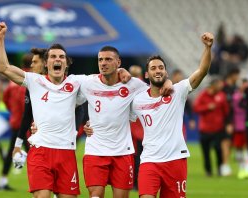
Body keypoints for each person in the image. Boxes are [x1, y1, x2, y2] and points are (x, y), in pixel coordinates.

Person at [0, 22, 130, 198]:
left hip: (66, 152)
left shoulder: (77, 82)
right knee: (42, 196)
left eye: (61, 57)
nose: (57, 59)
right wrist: (0, 38)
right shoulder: (35, 81)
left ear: (66, 63)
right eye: (53, 56)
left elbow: (107, 74)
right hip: (41, 150)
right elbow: (3, 67)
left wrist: (121, 69)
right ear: (46, 62)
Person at [81, 46, 173, 198]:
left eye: (108, 59)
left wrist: (168, 82)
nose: (103, 63)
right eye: (100, 60)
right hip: (95, 151)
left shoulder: (133, 85)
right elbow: (64, 94)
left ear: (118, 62)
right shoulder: (87, 83)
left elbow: (156, 87)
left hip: (122, 152)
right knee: (95, 195)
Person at [130, 32, 214, 198]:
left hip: (176, 160)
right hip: (149, 161)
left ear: (166, 73)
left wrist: (207, 48)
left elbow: (202, 71)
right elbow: (119, 115)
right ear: (147, 75)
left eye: (161, 67)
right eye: (153, 68)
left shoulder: (178, 91)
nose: (158, 70)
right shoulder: (137, 100)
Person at [0, 53, 35, 190]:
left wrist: (13, 112)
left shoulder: (13, 82)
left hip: (15, 123)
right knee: (36, 155)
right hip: (29, 125)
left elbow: (5, 99)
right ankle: (38, 183)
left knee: (12, 152)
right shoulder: (33, 81)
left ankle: (2, 181)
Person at [194, 77, 230, 177]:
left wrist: (227, 123)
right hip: (205, 129)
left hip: (218, 129)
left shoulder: (221, 96)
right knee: (206, 152)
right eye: (219, 84)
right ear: (213, 85)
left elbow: (226, 111)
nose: (221, 86)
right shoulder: (203, 95)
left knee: (219, 150)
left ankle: (220, 169)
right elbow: (196, 108)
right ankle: (208, 171)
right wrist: (207, 107)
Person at [221, 68, 240, 176]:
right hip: (224, 120)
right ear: (231, 75)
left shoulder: (235, 88)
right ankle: (225, 165)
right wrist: (228, 122)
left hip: (234, 120)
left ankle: (225, 165)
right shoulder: (223, 88)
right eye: (236, 75)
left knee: (231, 142)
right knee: (225, 142)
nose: (237, 78)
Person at [232, 79, 248, 179]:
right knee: (238, 148)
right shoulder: (236, 96)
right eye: (244, 85)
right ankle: (241, 169)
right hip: (238, 125)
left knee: (247, 148)